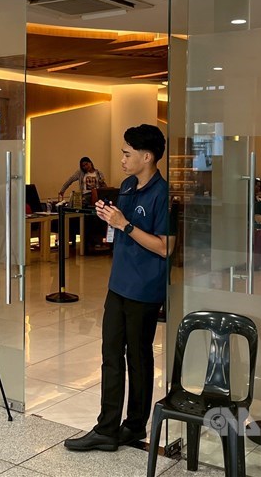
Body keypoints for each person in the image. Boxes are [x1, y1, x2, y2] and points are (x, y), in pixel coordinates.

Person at [64, 124, 173, 452]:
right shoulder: (126, 185)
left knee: (138, 358)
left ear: (147, 156)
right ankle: (107, 428)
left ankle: (134, 426)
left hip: (146, 289)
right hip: (119, 284)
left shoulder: (163, 194)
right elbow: (122, 228)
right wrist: (109, 217)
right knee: (111, 354)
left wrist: (124, 223)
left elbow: (165, 247)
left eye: (127, 154)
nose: (122, 159)